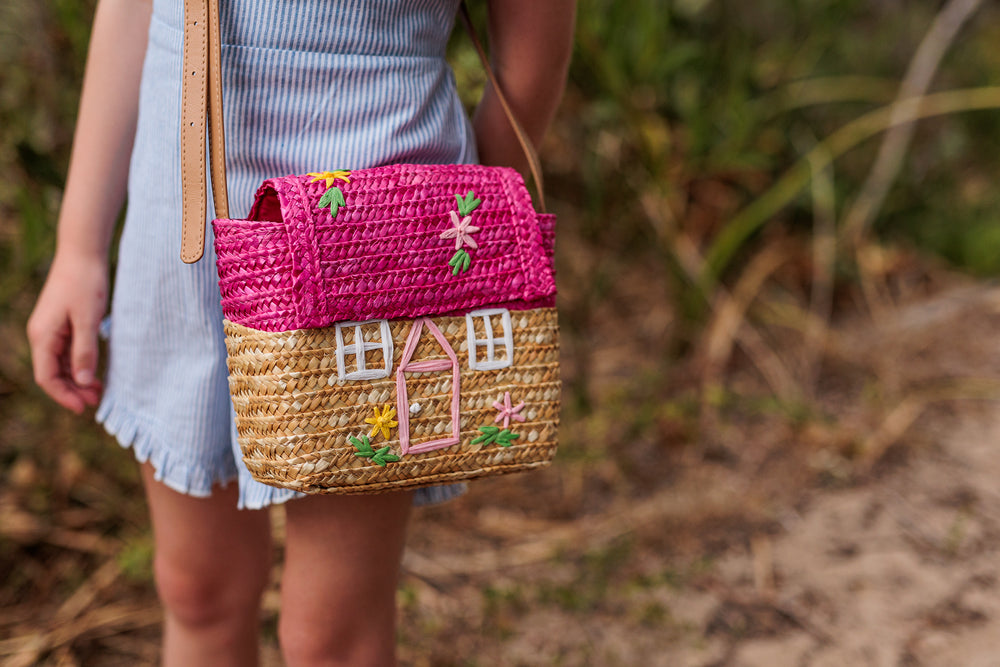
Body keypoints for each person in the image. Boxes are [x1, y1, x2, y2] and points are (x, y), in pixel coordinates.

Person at [25, 0, 575, 665]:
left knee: (330, 634)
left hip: (368, 207)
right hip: (181, 198)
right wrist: (78, 246)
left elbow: (533, 46)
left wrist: (458, 224)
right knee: (197, 586)